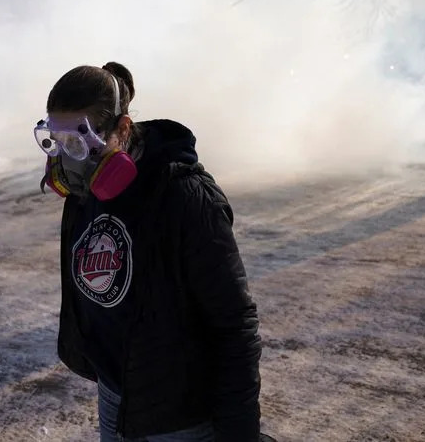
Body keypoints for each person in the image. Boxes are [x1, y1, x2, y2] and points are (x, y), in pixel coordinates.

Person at [35, 62, 268, 442]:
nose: (67, 160)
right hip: (116, 397)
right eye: (57, 141)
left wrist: (239, 434)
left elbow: (234, 325)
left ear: (123, 129)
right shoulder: (84, 195)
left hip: (181, 416)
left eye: (78, 141)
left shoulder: (184, 196)